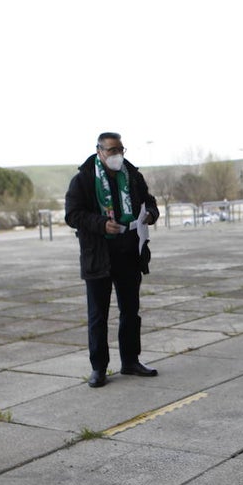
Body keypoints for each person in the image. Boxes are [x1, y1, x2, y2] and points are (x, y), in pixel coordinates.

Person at [65, 132, 160, 388]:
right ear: (99, 151)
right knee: (98, 315)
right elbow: (73, 215)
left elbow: (149, 202)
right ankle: (98, 368)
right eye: (112, 150)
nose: (117, 154)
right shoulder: (83, 179)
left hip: (129, 252)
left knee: (130, 311)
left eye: (120, 149)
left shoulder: (132, 176)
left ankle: (130, 360)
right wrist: (100, 224)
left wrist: (151, 213)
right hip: (98, 256)